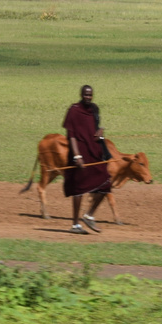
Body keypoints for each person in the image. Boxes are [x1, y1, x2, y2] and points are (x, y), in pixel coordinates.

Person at [62, 84, 112, 234]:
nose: (88, 97)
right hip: (81, 153)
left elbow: (96, 128)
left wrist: (101, 131)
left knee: (106, 183)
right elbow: (71, 135)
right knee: (79, 188)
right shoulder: (74, 110)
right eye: (85, 95)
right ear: (81, 94)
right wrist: (76, 156)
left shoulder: (95, 109)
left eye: (90, 95)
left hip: (94, 151)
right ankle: (75, 225)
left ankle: (89, 215)